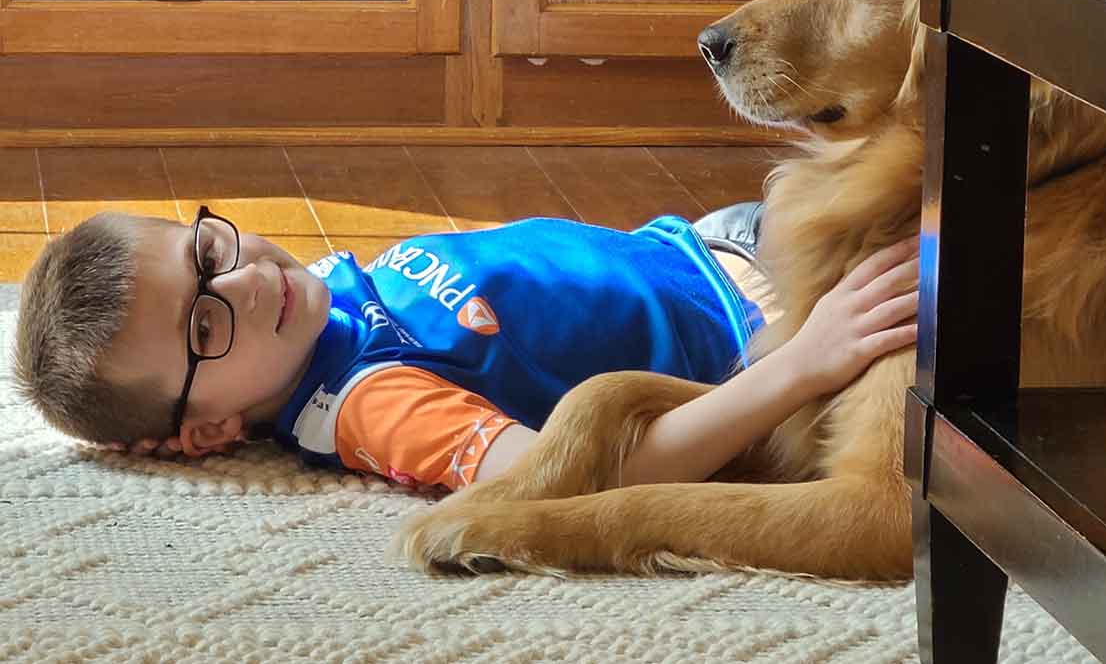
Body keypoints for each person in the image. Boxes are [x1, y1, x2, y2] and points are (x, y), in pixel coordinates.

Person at [12, 205, 918, 495]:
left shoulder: (311, 300)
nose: (247, 280)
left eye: (209, 252)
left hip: (713, 238)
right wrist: (802, 362)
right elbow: (578, 476)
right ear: (205, 431)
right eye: (204, 326)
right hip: (761, 340)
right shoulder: (370, 405)